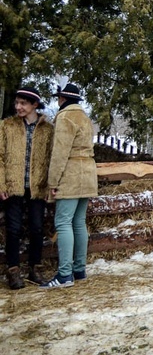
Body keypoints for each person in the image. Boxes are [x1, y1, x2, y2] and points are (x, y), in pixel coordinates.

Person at [41, 83, 98, 288]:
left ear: (62, 99)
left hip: (71, 174)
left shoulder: (65, 118)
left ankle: (64, 274)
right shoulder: (85, 118)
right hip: (88, 173)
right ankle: (79, 269)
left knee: (63, 222)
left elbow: (59, 153)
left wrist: (53, 182)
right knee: (79, 222)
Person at [0, 86, 54, 289]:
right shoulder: (7, 126)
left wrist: (50, 184)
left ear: (35, 105)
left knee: (37, 228)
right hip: (13, 185)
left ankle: (35, 268)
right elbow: (0, 157)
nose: (18, 107)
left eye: (23, 103)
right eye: (17, 103)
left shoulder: (47, 130)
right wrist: (1, 183)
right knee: (13, 229)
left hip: (37, 186)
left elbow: (51, 159)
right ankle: (13, 271)